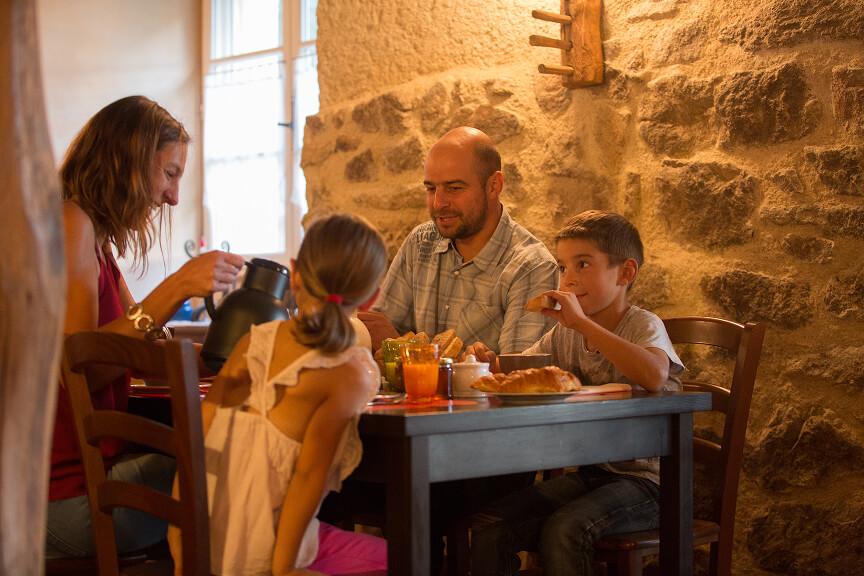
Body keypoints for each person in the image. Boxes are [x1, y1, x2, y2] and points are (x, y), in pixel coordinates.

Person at [46, 96, 245, 559]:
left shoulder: (95, 243)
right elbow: (81, 368)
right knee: (239, 471)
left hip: (84, 483)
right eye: (170, 173)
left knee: (235, 467)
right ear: (128, 164)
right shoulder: (69, 222)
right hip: (65, 501)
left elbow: (146, 350)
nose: (173, 196)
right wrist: (174, 287)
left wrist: (232, 355)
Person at [170, 213, 389, 576]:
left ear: (295, 273)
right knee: (405, 559)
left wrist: (180, 545)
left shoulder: (253, 341)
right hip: (261, 554)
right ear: (371, 299)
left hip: (200, 542)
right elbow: (308, 479)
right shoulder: (353, 373)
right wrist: (282, 569)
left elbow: (196, 440)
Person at [469, 210, 685, 576]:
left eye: (582, 264)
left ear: (626, 273)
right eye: (562, 267)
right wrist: (492, 363)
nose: (568, 279)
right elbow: (525, 368)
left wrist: (582, 323)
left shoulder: (643, 324)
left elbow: (654, 374)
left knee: (564, 530)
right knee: (490, 525)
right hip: (593, 475)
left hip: (648, 484)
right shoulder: (564, 333)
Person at [359, 126, 558, 354]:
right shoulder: (420, 242)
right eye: (431, 188)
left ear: (494, 186)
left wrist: (403, 351)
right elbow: (379, 335)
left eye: (454, 188)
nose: (438, 203)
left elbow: (516, 377)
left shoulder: (532, 266)